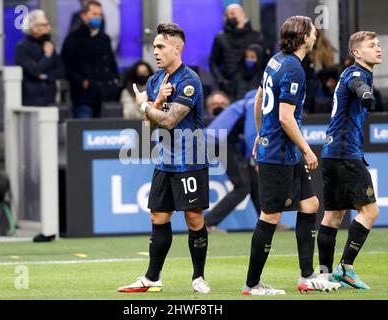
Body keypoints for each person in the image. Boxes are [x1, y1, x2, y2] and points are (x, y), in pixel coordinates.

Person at [242, 16, 340, 296]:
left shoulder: (275, 60)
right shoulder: (294, 68)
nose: (315, 34)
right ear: (303, 36)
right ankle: (251, 285)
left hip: (278, 148)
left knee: (310, 204)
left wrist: (261, 133)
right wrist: (307, 149)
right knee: (270, 215)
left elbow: (259, 99)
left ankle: (307, 276)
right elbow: (286, 117)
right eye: (312, 30)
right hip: (279, 153)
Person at [118, 23, 211, 294]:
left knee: (194, 218)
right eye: (154, 46)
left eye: (161, 46)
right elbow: (151, 126)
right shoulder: (155, 80)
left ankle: (198, 277)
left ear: (177, 48)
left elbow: (170, 121)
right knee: (158, 217)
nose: (155, 52)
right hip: (165, 160)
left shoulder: (189, 80)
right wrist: (155, 101)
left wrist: (146, 106)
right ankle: (152, 277)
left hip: (190, 159)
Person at [318, 31, 382, 289]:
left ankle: (323, 274)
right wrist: (367, 94)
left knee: (333, 216)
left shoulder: (349, 73)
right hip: (346, 154)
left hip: (332, 153)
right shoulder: (357, 74)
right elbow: (359, 86)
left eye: (378, 44)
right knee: (370, 211)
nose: (378, 48)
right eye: (371, 45)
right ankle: (345, 267)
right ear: (357, 53)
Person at [204, 90, 261, 233]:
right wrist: (257, 160)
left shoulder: (245, 102)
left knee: (253, 181)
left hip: (220, 141)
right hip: (220, 142)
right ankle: (207, 223)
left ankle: (268, 222)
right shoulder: (253, 103)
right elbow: (250, 134)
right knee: (242, 187)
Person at [61, 0, 119, 118]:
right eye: (94, 14)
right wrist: (82, 82)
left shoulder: (104, 39)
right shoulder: (73, 39)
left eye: (100, 14)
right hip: (82, 97)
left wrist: (114, 82)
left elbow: (111, 63)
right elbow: (65, 66)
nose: (98, 18)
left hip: (104, 96)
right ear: (84, 16)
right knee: (84, 130)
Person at [209, 3, 264, 101]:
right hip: (230, 88)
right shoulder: (221, 38)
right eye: (227, 15)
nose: (229, 17)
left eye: (232, 14)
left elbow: (264, 62)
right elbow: (213, 62)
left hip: (253, 86)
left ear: (243, 15)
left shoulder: (256, 37)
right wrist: (221, 81)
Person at [15, 9, 65, 107]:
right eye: (44, 25)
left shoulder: (49, 45)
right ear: (34, 28)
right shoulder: (22, 48)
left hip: (50, 99)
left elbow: (62, 70)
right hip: (31, 101)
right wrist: (47, 56)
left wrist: (46, 76)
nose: (48, 28)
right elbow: (34, 71)